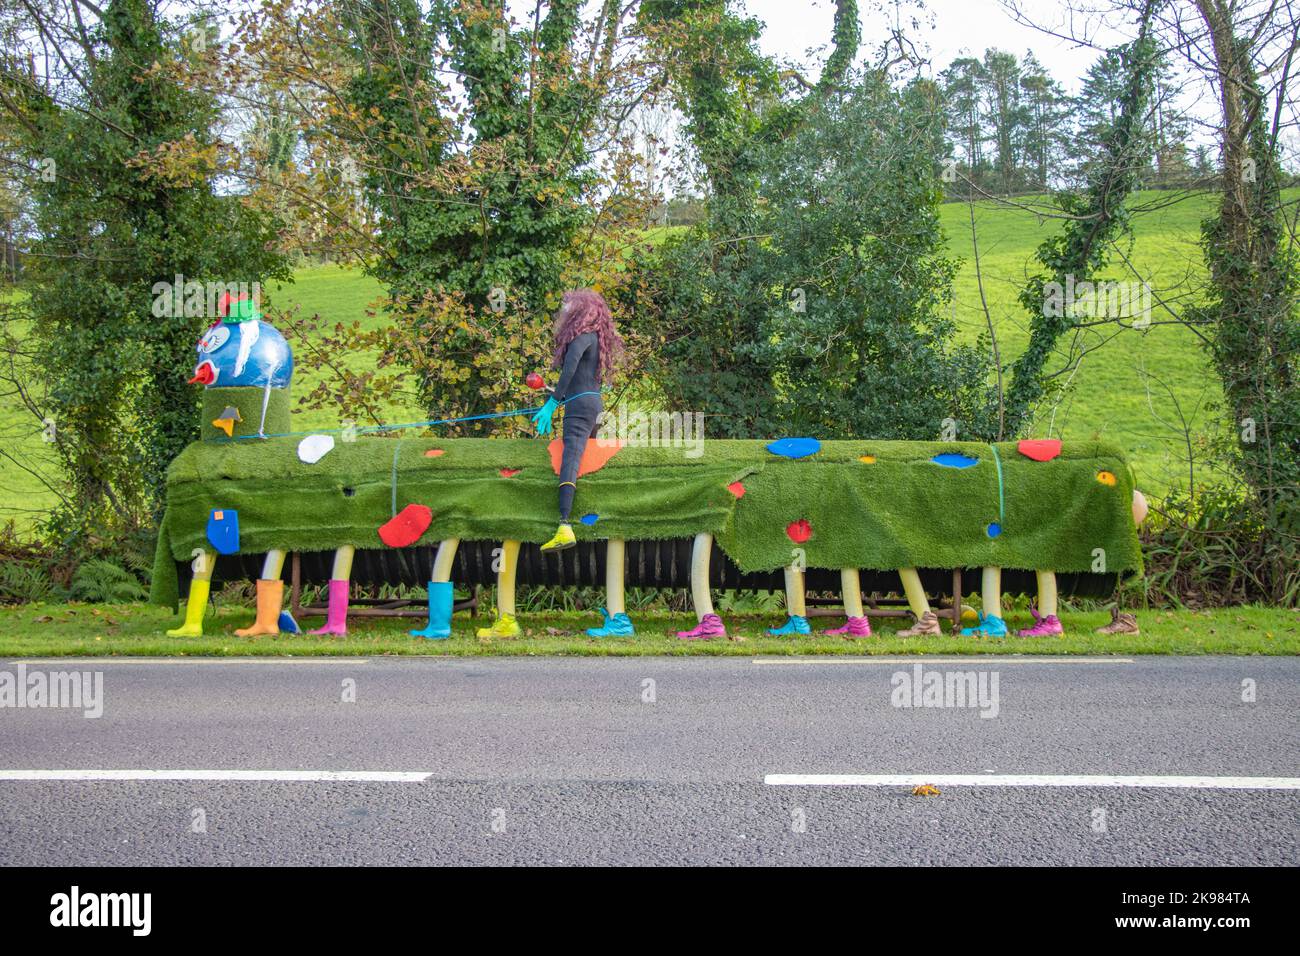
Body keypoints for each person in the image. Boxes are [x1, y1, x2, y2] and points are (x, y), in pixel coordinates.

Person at [532, 289, 625, 555]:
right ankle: (593, 521)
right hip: (594, 406)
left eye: (567, 308)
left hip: (579, 409)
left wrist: (551, 404)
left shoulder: (581, 337)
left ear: (579, 311)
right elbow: (580, 382)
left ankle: (564, 525)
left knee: (571, 458)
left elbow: (571, 368)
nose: (563, 313)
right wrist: (554, 394)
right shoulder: (597, 340)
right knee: (591, 460)